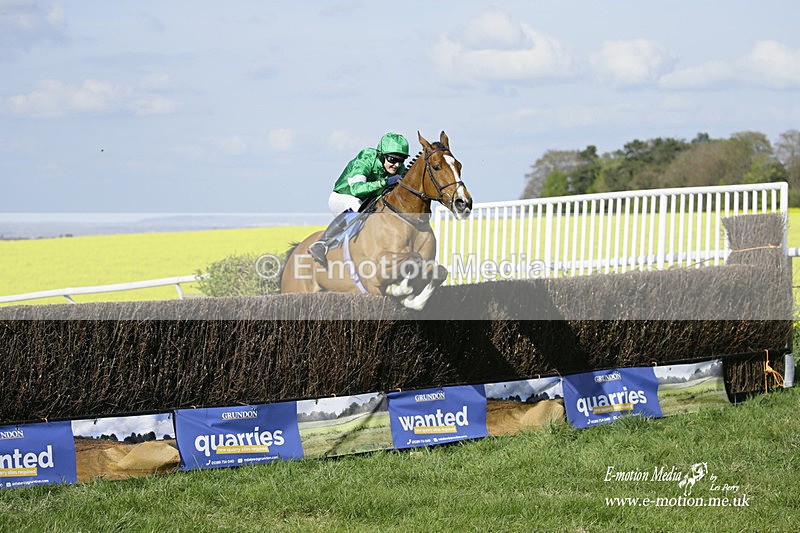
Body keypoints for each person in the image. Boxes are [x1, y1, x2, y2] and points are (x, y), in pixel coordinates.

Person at [308, 132, 410, 268]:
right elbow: (357, 189)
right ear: (381, 155)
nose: (397, 165)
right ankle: (320, 244)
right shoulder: (366, 158)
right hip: (343, 197)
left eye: (401, 160)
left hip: (368, 202)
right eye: (392, 159)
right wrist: (384, 182)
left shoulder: (399, 168)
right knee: (356, 205)